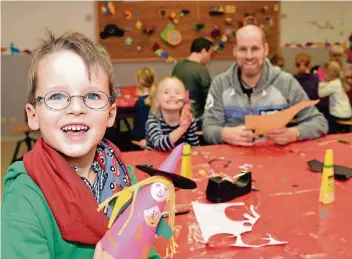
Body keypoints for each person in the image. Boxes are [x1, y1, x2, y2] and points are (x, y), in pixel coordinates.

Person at [1, 31, 169, 259]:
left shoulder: (125, 178)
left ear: (111, 114)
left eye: (92, 96)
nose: (76, 108)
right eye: (57, 96)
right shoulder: (25, 202)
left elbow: (144, 249)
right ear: (33, 116)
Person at [202, 25, 328, 146]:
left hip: (274, 159)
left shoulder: (286, 82)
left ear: (265, 50)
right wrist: (224, 134)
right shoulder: (220, 84)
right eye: (243, 49)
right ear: (235, 51)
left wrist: (294, 133)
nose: (249, 56)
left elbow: (319, 122)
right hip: (231, 161)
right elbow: (208, 127)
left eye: (255, 49)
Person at [145, 77, 199, 152]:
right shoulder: (153, 120)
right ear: (157, 100)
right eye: (166, 92)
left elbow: (194, 147)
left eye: (177, 93)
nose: (172, 95)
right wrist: (182, 129)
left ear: (184, 100)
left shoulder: (189, 121)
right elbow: (159, 145)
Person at [172, 37, 213, 131]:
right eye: (210, 54)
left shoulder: (177, 67)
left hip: (177, 117)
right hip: (196, 120)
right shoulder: (201, 70)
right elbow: (209, 99)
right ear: (203, 51)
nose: (209, 58)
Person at [318, 61, 352, 134]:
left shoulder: (334, 84)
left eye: (324, 73)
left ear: (330, 74)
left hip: (339, 114)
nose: (323, 75)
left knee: (323, 118)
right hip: (346, 113)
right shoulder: (338, 81)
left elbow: (320, 94)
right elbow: (326, 85)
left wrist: (320, 80)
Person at [131, 67, 156, 149]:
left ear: (140, 82)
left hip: (141, 138)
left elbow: (142, 124)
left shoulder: (141, 102)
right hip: (153, 135)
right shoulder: (154, 97)